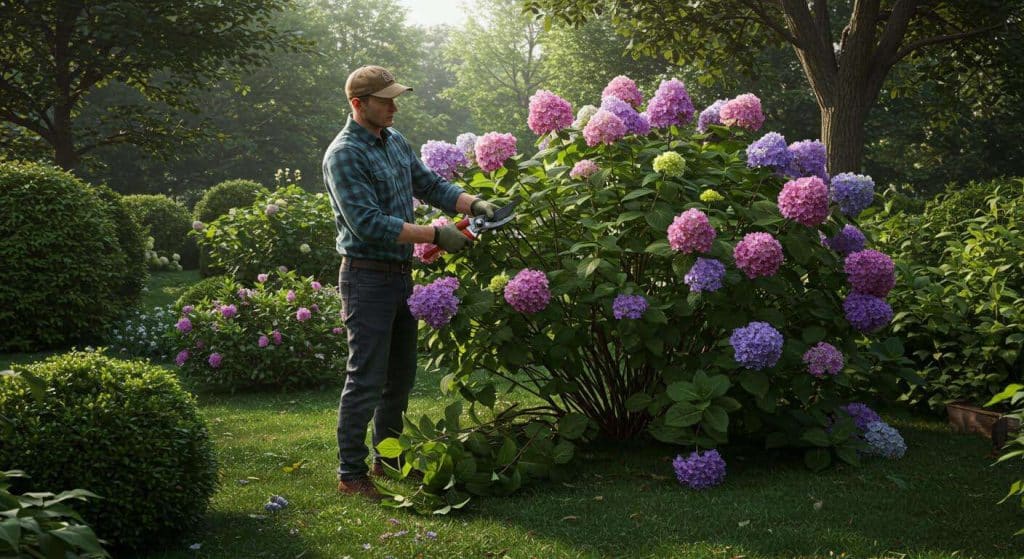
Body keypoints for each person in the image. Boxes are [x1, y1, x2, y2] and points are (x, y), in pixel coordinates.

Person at [322, 65, 497, 497]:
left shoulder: (393, 141)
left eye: (395, 98)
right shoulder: (344, 154)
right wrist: (437, 235)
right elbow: (367, 224)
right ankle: (351, 474)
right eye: (386, 100)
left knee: (399, 377)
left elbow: (429, 184)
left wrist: (474, 203)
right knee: (365, 378)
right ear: (358, 104)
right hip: (365, 279)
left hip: (400, 276)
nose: (394, 106)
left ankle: (389, 460)